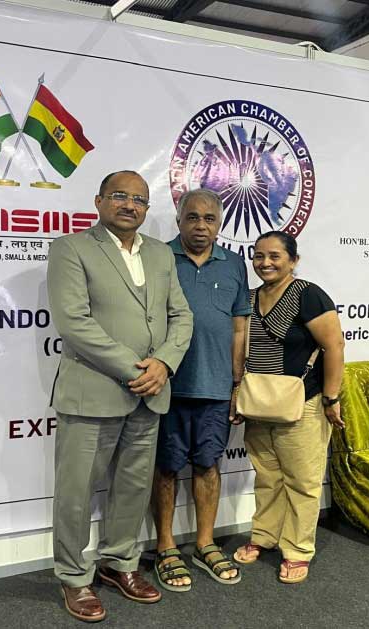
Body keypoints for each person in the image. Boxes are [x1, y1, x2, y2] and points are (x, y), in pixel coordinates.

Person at [47, 170, 193, 622]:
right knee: (76, 492)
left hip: (151, 393)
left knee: (132, 487)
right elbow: (74, 322)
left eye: (139, 200)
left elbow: (181, 316)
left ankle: (119, 563)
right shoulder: (71, 248)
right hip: (93, 392)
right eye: (120, 196)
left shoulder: (160, 253)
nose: (130, 205)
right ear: (99, 201)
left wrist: (164, 363)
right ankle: (74, 576)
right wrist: (138, 370)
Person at [151, 189, 251, 592]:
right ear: (179, 220)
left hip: (216, 387)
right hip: (167, 386)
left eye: (210, 219)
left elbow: (240, 327)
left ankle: (205, 543)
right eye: (192, 217)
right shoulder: (158, 257)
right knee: (166, 467)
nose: (201, 226)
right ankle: (165, 545)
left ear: (219, 224)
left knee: (208, 465)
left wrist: (236, 383)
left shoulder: (234, 264)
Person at [233, 231, 344, 585]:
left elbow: (334, 346)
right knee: (267, 477)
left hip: (303, 403)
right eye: (259, 256)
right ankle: (264, 535)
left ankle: (297, 549)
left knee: (302, 481)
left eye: (275, 256)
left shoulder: (308, 294)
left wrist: (331, 398)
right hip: (258, 403)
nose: (265, 262)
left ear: (293, 260)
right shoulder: (249, 298)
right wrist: (237, 393)